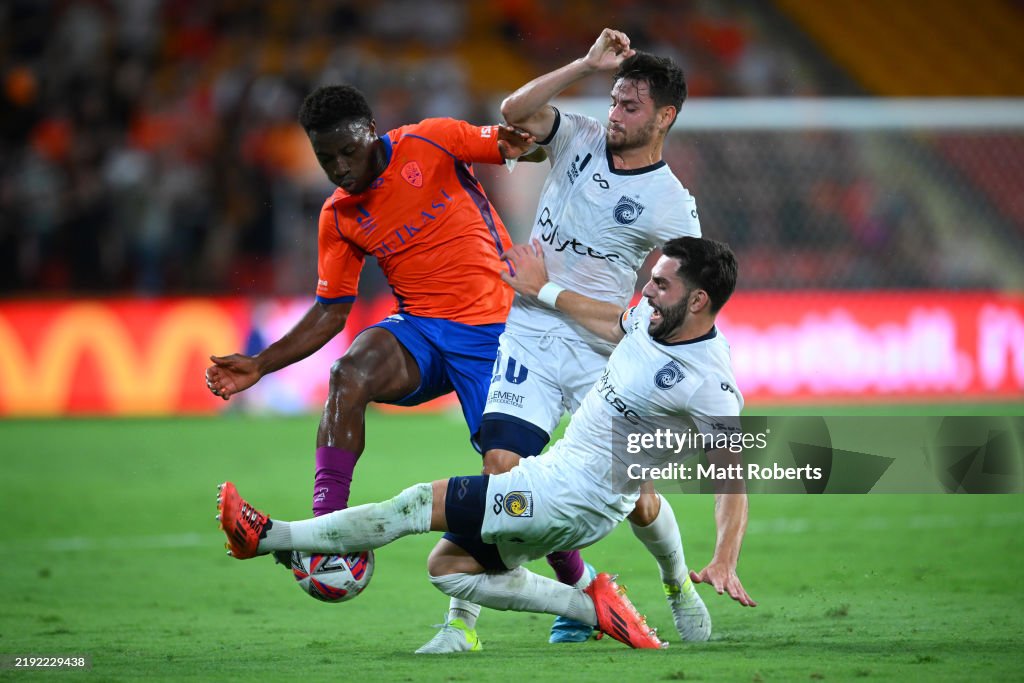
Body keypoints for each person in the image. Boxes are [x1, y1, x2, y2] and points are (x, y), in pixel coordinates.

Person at [215, 237, 756, 653]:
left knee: (414, 505)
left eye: (662, 285)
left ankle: (268, 538)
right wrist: (544, 291)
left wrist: (725, 558)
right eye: (652, 280)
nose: (647, 292)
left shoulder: (710, 382)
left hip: (566, 495)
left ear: (701, 299)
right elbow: (617, 323)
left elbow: (732, 476)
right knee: (447, 567)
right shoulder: (653, 320)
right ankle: (594, 609)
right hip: (567, 482)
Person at [421, 29, 709, 652]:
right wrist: (584, 63)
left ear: (666, 117)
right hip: (529, 329)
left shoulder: (671, 205)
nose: (614, 114)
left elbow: (685, 297)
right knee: (502, 468)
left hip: (599, 347)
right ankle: (463, 625)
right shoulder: (577, 136)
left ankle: (677, 582)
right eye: (613, 100)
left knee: (635, 497)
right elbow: (514, 113)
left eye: (630, 106)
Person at [204, 85, 536, 521]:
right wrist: (260, 365)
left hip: (497, 332)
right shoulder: (338, 215)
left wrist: (527, 145)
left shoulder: (431, 139)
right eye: (327, 159)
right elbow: (331, 310)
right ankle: (327, 528)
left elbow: (519, 149)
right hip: (421, 334)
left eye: (348, 151)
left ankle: (581, 579)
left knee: (509, 485)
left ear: (372, 131)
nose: (340, 168)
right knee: (349, 373)